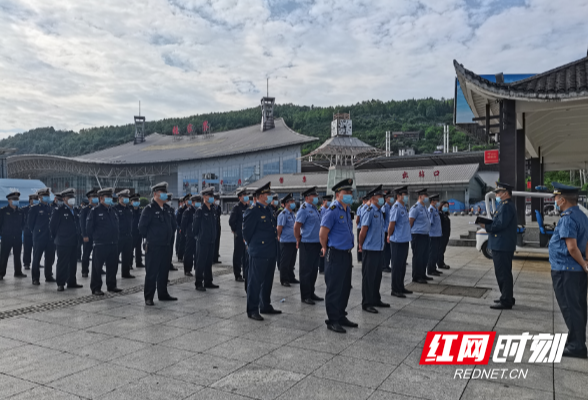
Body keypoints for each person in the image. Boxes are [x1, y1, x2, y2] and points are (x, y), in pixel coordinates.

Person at [549, 182, 588, 358]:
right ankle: (577, 339)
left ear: (563, 200)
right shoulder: (582, 216)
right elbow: (586, 243)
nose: (555, 201)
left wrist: (583, 263)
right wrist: (585, 263)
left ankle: (576, 346)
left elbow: (572, 247)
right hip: (577, 271)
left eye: (556, 198)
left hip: (566, 270)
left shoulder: (568, 218)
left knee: (570, 307)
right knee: (578, 306)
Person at [320, 179, 357, 334]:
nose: (349, 195)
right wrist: (324, 247)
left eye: (350, 192)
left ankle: (341, 315)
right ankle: (333, 320)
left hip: (346, 254)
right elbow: (323, 233)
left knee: (345, 287)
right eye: (346, 193)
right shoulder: (333, 210)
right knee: (334, 288)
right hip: (335, 253)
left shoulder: (347, 210)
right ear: (337, 195)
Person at [243, 182, 281, 320]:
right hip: (259, 251)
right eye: (268, 194)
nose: (270, 197)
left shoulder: (268, 210)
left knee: (268, 281)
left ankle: (265, 305)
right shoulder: (253, 211)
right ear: (261, 196)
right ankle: (252, 309)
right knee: (255, 282)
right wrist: (253, 245)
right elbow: (246, 233)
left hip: (270, 251)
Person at [478, 181, 517, 310]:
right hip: (501, 244)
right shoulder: (504, 205)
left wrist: (485, 226)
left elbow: (500, 224)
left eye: (499, 192)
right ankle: (506, 296)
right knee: (503, 272)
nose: (497, 194)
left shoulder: (506, 206)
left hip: (502, 245)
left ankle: (506, 300)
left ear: (506, 193)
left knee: (503, 273)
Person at [139, 182, 177, 305]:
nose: (165, 195)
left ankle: (163, 293)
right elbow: (142, 228)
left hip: (166, 245)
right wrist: (152, 238)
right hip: (154, 246)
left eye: (165, 192)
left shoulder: (166, 209)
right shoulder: (149, 209)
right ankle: (149, 297)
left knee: (164, 272)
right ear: (155, 194)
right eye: (162, 192)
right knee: (152, 272)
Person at [358, 185, 390, 313]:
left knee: (377, 276)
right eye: (380, 197)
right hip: (370, 249)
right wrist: (361, 245)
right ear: (373, 198)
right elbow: (363, 231)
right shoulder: (369, 212)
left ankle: (376, 298)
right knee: (369, 278)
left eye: (383, 196)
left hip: (379, 249)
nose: (382, 199)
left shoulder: (380, 212)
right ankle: (367, 303)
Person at [86, 187, 121, 295]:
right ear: (101, 198)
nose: (110, 199)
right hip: (100, 244)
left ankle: (111, 285)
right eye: (108, 197)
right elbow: (89, 228)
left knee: (112, 266)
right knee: (97, 267)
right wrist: (97, 237)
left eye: (111, 197)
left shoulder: (113, 210)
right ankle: (96, 287)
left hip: (113, 243)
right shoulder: (95, 211)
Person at [49, 188, 82, 291]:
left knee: (73, 263)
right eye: (69, 197)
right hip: (62, 241)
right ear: (64, 199)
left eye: (73, 197)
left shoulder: (75, 210)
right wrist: (57, 237)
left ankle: (71, 281)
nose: (72, 199)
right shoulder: (58, 210)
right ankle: (61, 283)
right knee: (62, 263)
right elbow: (52, 226)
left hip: (73, 241)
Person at [295, 187, 323, 305]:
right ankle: (305, 295)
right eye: (314, 195)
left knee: (313, 270)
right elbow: (297, 226)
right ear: (307, 198)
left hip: (316, 243)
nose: (316, 197)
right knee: (306, 270)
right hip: (307, 243)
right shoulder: (304, 209)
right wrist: (298, 239)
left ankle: (311, 292)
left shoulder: (315, 209)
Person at [388, 186, 413, 298]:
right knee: (396, 266)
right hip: (397, 240)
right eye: (404, 195)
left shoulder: (404, 207)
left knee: (402, 265)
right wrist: (389, 235)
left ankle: (401, 286)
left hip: (404, 239)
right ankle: (395, 289)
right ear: (398, 196)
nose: (406, 197)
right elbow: (391, 225)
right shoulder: (396, 207)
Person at [28, 188, 55, 285]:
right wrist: (37, 232)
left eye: (48, 195)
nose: (47, 197)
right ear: (39, 197)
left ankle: (48, 275)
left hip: (50, 237)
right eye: (45, 196)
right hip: (39, 237)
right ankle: (35, 278)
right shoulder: (34, 208)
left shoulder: (50, 208)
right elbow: (30, 224)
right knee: (36, 258)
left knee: (50, 257)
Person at [193, 187, 218, 291]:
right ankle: (198, 282)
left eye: (212, 196)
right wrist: (199, 237)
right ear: (204, 197)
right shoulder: (200, 211)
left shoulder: (212, 210)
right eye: (209, 196)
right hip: (202, 240)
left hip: (211, 240)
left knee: (208, 262)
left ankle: (208, 281)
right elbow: (195, 228)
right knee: (200, 262)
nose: (212, 198)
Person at [0, 192, 27, 280]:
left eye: (17, 199)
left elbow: (23, 223)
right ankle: (1, 273)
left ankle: (18, 272)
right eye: (14, 199)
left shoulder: (21, 211)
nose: (16, 201)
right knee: (4, 256)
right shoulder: (3, 211)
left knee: (17, 255)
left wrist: (19, 230)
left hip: (17, 237)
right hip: (6, 237)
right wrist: (2, 233)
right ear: (9, 200)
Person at [409, 188, 431, 284]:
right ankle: (416, 276)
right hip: (417, 235)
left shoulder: (425, 207)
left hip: (425, 235)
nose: (426, 198)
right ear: (420, 197)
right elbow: (410, 223)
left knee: (424, 256)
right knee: (418, 256)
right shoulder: (415, 208)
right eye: (425, 196)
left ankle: (422, 274)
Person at [113, 189, 134, 279]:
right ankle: (113, 274)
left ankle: (126, 273)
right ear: (119, 198)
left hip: (128, 235)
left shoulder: (129, 209)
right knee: (115, 257)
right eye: (124, 197)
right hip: (119, 236)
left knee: (127, 256)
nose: (126, 199)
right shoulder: (115, 209)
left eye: (127, 198)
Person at [277, 193, 297, 287]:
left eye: (293, 201)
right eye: (291, 202)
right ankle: (284, 279)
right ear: (286, 204)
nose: (293, 203)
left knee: (291, 261)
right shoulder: (283, 214)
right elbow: (279, 228)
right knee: (285, 261)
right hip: (286, 241)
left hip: (293, 241)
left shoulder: (292, 214)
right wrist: (279, 237)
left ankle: (291, 277)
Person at [229, 189, 248, 282]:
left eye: (246, 194)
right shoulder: (236, 208)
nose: (246, 196)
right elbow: (231, 220)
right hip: (239, 234)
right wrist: (235, 230)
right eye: (243, 195)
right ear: (239, 197)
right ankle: (237, 274)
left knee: (246, 255)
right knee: (238, 254)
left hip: (247, 235)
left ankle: (246, 273)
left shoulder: (249, 207)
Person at [80, 189, 98, 278]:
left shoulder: (99, 209)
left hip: (97, 236)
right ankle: (84, 271)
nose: (96, 199)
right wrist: (84, 235)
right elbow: (82, 224)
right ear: (89, 199)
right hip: (88, 236)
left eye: (96, 197)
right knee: (86, 254)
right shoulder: (85, 209)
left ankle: (98, 269)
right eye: (93, 197)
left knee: (97, 254)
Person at [181, 194, 198, 277]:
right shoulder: (187, 211)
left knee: (197, 253)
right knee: (188, 253)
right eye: (196, 201)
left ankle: (197, 268)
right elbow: (183, 224)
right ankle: (187, 269)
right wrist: (186, 233)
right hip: (190, 235)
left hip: (198, 235)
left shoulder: (199, 210)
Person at [427, 194, 443, 277]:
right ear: (432, 202)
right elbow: (429, 223)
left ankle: (434, 268)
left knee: (436, 253)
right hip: (432, 235)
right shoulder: (431, 210)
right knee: (432, 253)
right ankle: (430, 269)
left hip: (437, 235)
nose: (438, 203)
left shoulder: (436, 210)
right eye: (437, 201)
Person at [22, 194, 38, 271]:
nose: (34, 201)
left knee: (37, 249)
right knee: (27, 248)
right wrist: (24, 228)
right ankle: (26, 263)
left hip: (37, 232)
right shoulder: (24, 209)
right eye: (33, 199)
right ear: (30, 200)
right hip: (28, 232)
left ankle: (36, 262)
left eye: (36, 199)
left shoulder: (38, 209)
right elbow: (22, 221)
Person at [318, 195, 332, 274]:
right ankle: (321, 268)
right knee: (322, 251)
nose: (329, 202)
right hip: (323, 233)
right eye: (328, 200)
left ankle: (326, 266)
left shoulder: (330, 210)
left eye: (330, 200)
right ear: (324, 201)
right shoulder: (321, 210)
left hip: (329, 234)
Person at [130, 193, 144, 269]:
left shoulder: (140, 210)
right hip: (131, 232)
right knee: (130, 249)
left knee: (139, 248)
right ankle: (129, 264)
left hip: (139, 232)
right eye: (135, 200)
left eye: (137, 200)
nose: (137, 202)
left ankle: (139, 262)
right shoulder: (129, 210)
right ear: (131, 202)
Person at [166, 193, 178, 271]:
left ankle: (169, 263)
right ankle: (165, 265)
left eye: (170, 200)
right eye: (168, 200)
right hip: (164, 235)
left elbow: (174, 221)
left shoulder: (171, 209)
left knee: (170, 250)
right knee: (165, 252)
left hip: (171, 234)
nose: (169, 201)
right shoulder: (163, 209)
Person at [381, 191, 393, 273]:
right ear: (386, 199)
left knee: (389, 250)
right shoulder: (384, 208)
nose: (391, 198)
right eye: (390, 197)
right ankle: (384, 265)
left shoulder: (392, 207)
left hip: (390, 231)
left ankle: (387, 264)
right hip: (385, 231)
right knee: (386, 249)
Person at [437, 201, 451, 270]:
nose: (446, 207)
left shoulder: (445, 214)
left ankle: (441, 262)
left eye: (447, 206)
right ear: (441, 206)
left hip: (446, 235)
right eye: (445, 206)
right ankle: (440, 263)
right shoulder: (440, 214)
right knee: (440, 249)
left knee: (443, 249)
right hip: (442, 235)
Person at [355, 196, 369, 263]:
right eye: (365, 200)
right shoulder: (360, 208)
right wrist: (357, 224)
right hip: (360, 227)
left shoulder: (369, 207)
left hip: (365, 227)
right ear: (363, 200)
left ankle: (364, 256)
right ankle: (359, 257)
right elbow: (357, 218)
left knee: (365, 241)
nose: (366, 201)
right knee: (359, 242)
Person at [176, 195, 188, 262]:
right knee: (181, 242)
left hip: (188, 229)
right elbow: (178, 219)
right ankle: (180, 256)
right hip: (181, 228)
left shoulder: (190, 209)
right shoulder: (181, 209)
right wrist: (180, 227)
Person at [213, 193, 222, 264]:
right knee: (212, 244)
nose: (217, 201)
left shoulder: (218, 207)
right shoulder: (211, 207)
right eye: (216, 199)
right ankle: (212, 258)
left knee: (217, 243)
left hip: (218, 227)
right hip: (212, 228)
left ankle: (216, 257)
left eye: (218, 199)